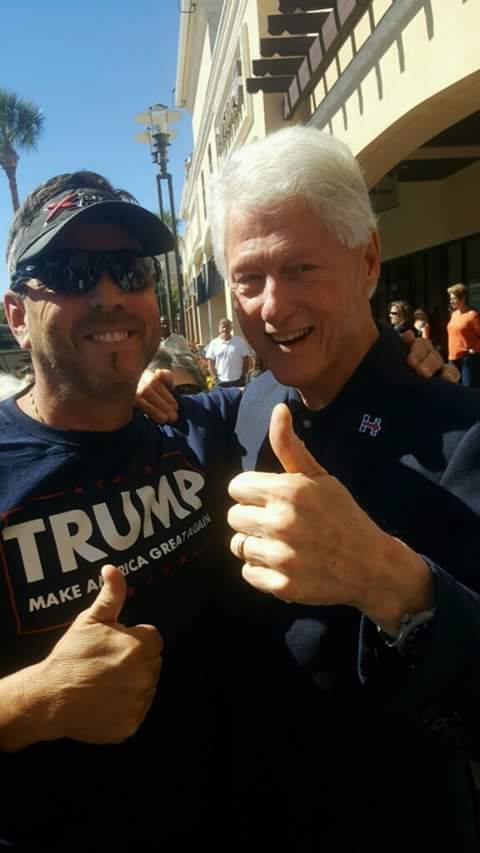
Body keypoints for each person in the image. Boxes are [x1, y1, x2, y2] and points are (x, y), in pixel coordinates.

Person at [205, 126, 480, 851]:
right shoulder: (251, 402)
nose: (272, 306)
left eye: (301, 267)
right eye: (248, 278)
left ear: (367, 260)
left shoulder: (461, 430)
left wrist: (393, 585)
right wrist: (144, 382)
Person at [0, 171, 241, 852]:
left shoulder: (195, 430)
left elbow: (321, 380)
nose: (108, 294)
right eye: (71, 273)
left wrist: (405, 361)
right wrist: (32, 701)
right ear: (16, 315)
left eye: (129, 271)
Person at [447, 283, 480, 387]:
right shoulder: (454, 314)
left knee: (468, 389)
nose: (451, 301)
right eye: (450, 299)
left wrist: (476, 348)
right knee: (454, 388)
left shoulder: (472, 315)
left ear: (463, 299)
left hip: (467, 359)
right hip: (452, 357)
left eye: (454, 298)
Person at [206, 317, 250, 387]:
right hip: (220, 381)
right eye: (222, 327)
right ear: (219, 329)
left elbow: (246, 359)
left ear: (231, 328)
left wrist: (244, 374)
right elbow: (210, 361)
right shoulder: (214, 343)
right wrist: (215, 377)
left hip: (238, 380)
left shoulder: (239, 341)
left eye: (227, 327)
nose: (225, 329)